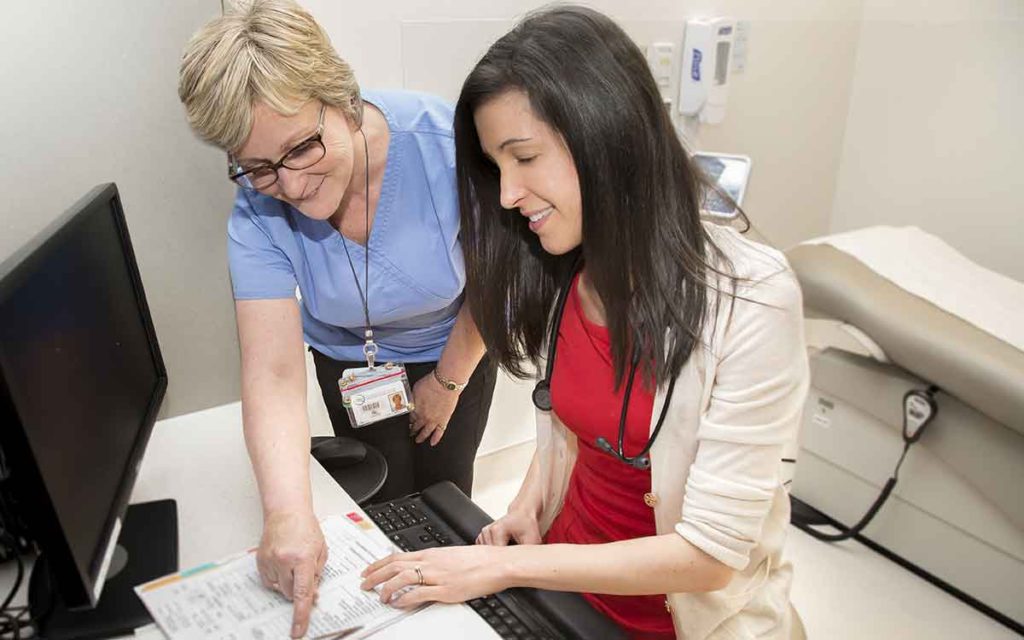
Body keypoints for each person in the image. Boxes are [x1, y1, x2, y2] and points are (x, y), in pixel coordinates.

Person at [360, 6, 809, 639]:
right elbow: (574, 432)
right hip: (563, 590)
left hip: (671, 620)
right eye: (497, 168)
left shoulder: (753, 301)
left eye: (524, 158)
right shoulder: (565, 268)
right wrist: (527, 507)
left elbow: (708, 557)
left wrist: (507, 568)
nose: (509, 195)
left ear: (610, 137)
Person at [177, 1, 496, 636]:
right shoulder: (255, 211)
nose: (290, 188)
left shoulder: (446, 148)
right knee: (376, 504)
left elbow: (498, 287)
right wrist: (287, 514)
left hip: (457, 344)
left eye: (300, 148)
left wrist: (448, 380)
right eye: (259, 166)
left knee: (445, 495)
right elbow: (270, 371)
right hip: (352, 362)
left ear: (345, 103)